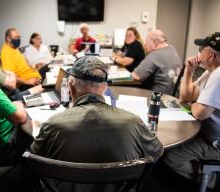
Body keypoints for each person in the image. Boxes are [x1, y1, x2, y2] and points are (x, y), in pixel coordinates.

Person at [30, 56, 163, 191]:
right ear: (105, 87)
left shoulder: (52, 124)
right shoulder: (132, 121)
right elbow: (156, 151)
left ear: (71, 86)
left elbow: (34, 159)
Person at [163, 32, 220, 188]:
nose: (199, 52)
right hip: (206, 134)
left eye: (202, 49)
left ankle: (213, 181)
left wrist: (192, 104)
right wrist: (189, 70)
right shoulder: (211, 72)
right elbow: (186, 96)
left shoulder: (218, 75)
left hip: (214, 144)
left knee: (171, 155)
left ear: (210, 55)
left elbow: (199, 113)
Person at [0, 33, 44, 100]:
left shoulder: (15, 50)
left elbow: (26, 65)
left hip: (19, 87)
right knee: (44, 87)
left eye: (19, 37)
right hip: (14, 93)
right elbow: (11, 83)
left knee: (45, 86)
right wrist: (26, 81)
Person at [131, 29, 182, 95]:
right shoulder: (172, 49)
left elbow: (136, 76)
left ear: (154, 42)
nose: (145, 44)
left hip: (157, 97)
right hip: (173, 96)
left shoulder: (154, 55)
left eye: (147, 41)